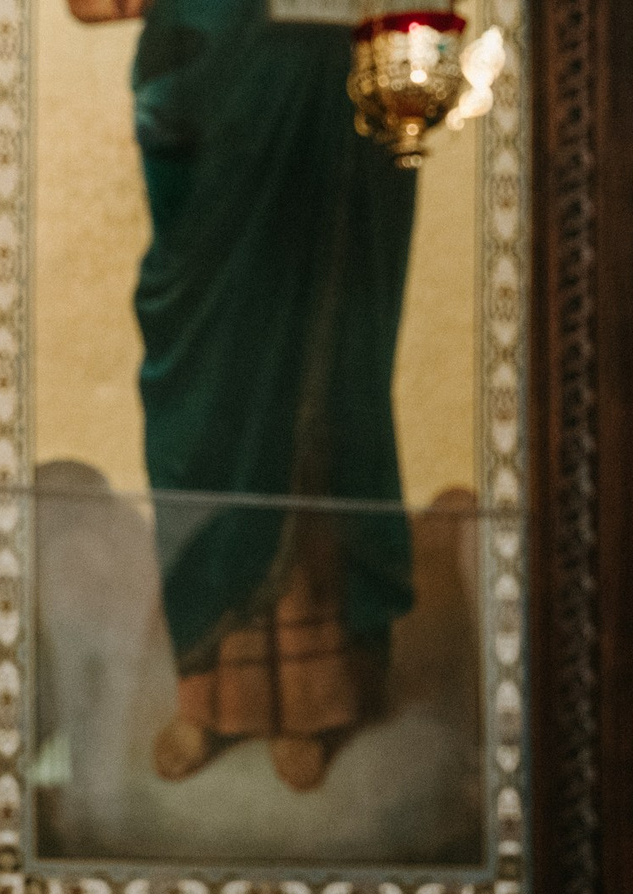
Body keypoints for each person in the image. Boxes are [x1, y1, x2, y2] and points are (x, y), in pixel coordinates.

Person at [74, 0, 419, 790]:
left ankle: (316, 698)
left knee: (320, 381)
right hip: (208, 107)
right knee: (210, 399)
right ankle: (209, 692)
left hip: (327, 97)